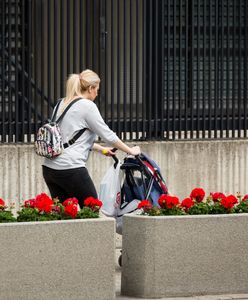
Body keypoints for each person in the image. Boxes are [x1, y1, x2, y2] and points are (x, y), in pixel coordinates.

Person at [42, 69, 141, 208]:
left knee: (64, 216)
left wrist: (101, 149)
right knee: (92, 209)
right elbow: (108, 135)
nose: (97, 93)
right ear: (90, 88)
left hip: (49, 169)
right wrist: (130, 151)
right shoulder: (87, 106)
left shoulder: (61, 103)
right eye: (97, 90)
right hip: (70, 168)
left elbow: (65, 140)